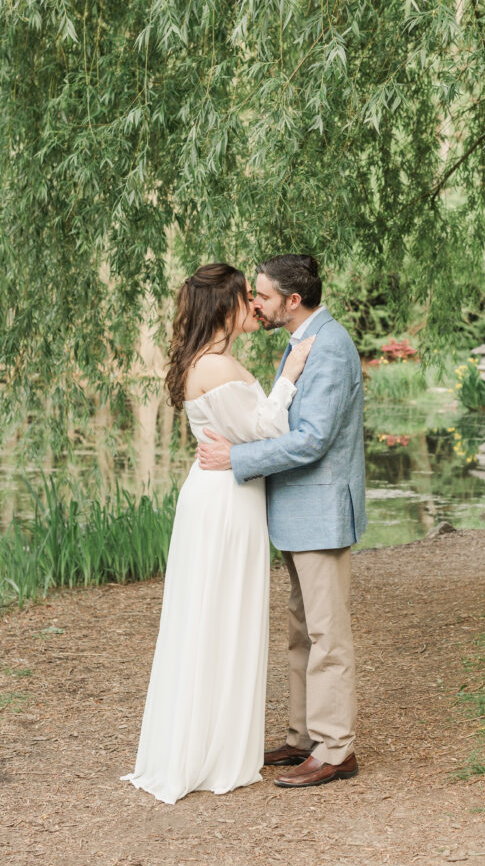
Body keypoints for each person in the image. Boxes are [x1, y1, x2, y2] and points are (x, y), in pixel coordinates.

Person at [122, 263, 314, 804]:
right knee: (222, 613)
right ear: (225, 308)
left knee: (205, 613)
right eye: (244, 297)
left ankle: (202, 739)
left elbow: (243, 435)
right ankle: (214, 751)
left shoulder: (197, 362)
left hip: (213, 494)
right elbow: (271, 429)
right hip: (227, 500)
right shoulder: (221, 368)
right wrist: (290, 373)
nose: (255, 305)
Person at [198, 254, 366, 788]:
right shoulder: (300, 343)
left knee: (326, 634)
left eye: (262, 296)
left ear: (293, 301)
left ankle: (336, 748)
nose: (254, 304)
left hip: (319, 512)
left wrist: (238, 460)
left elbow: (313, 439)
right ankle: (302, 737)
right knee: (301, 633)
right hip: (296, 513)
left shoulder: (331, 346)